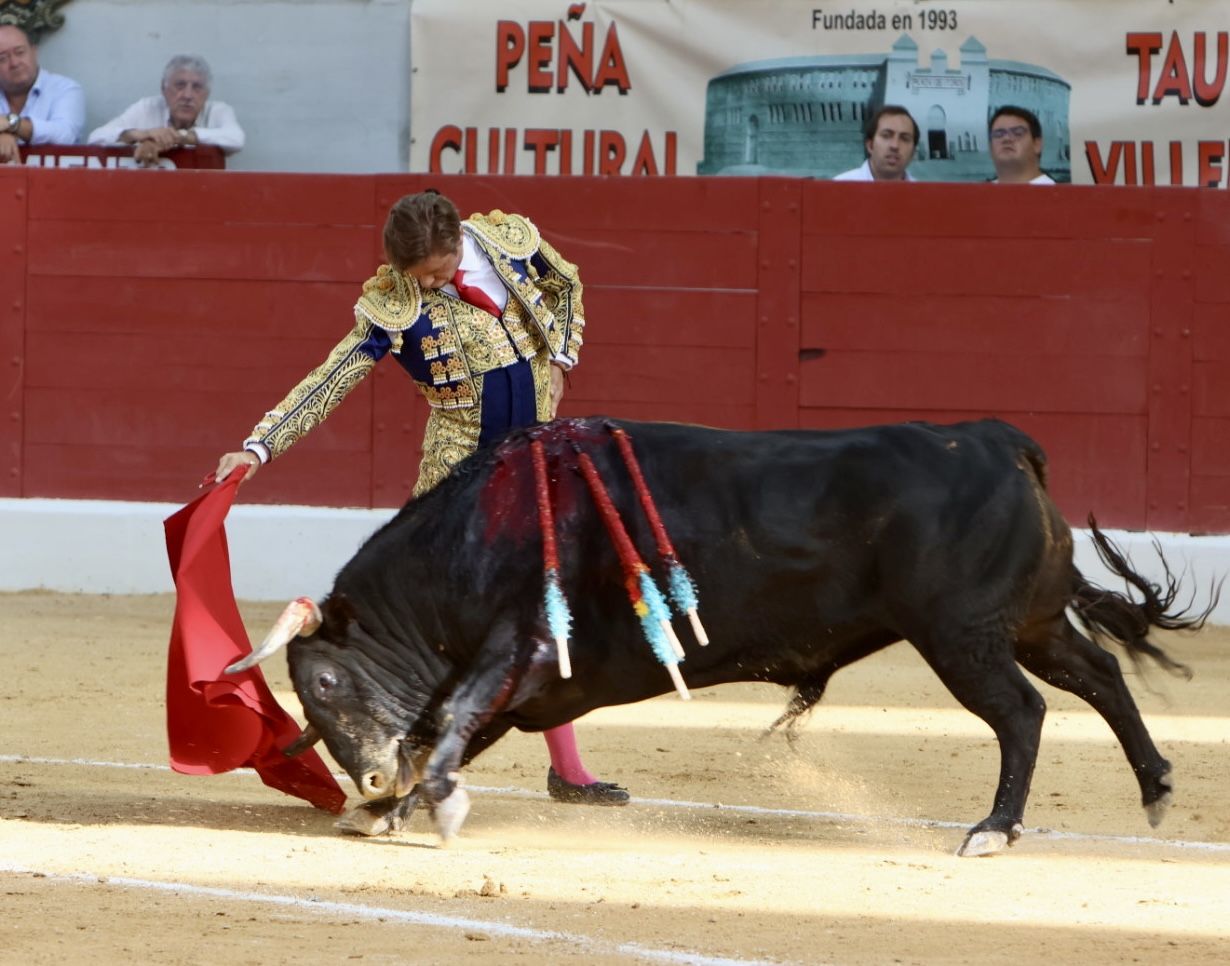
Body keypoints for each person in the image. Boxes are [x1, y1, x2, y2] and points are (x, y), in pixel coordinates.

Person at [213, 190, 629, 807]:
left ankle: (567, 768)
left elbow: (567, 284)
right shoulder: (395, 305)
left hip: (534, 463)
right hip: (456, 478)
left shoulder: (507, 242)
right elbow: (332, 377)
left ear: (458, 240)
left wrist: (562, 353)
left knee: (541, 609)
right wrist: (259, 447)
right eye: (422, 276)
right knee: (438, 621)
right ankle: (380, 740)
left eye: (439, 270)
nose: (434, 283)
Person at [87, 54, 244, 166]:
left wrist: (177, 138)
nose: (188, 95)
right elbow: (95, 137)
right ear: (164, 88)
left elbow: (236, 139)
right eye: (180, 86)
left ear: (207, 94)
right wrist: (143, 135)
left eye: (197, 87)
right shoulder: (147, 107)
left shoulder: (218, 110)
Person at [0, 22, 85, 165]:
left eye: (20, 52)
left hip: (54, 182)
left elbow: (66, 135)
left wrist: (12, 124)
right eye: (2, 58)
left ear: (34, 51)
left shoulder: (65, 89)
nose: (14, 63)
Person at [834, 105, 918, 182]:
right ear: (870, 145)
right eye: (886, 136)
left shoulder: (923, 194)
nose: (895, 146)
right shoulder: (839, 186)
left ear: (913, 152)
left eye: (904, 139)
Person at [989, 105, 1055, 185]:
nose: (1006, 139)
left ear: (1037, 144)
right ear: (991, 148)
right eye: (999, 134)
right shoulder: (978, 195)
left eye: (1017, 133)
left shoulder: (1059, 195)